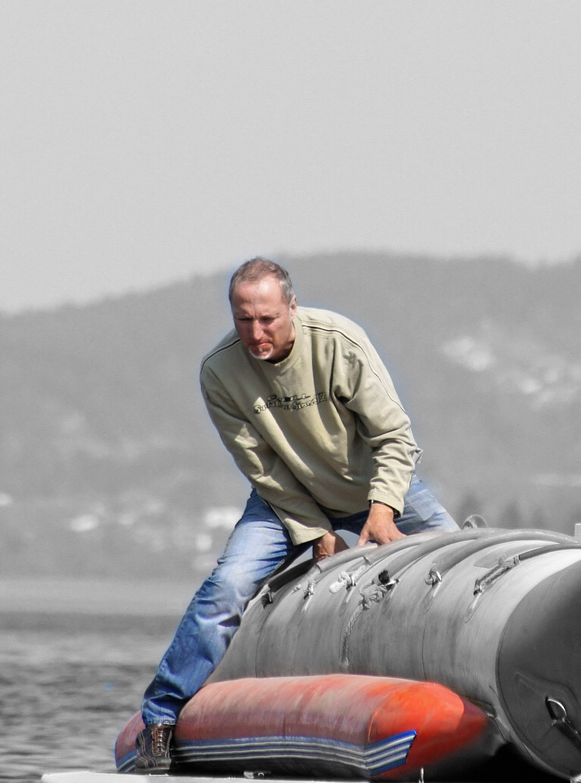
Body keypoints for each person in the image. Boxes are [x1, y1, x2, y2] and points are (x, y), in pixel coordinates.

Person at [127, 257, 458, 774]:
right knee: (228, 585)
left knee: (458, 565)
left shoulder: (338, 341)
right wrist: (316, 532)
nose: (256, 333)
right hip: (285, 497)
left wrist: (382, 508)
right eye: (244, 320)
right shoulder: (219, 371)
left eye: (268, 319)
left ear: (291, 308)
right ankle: (162, 717)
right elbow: (262, 468)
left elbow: (395, 438)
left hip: (374, 485)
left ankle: (472, 706)